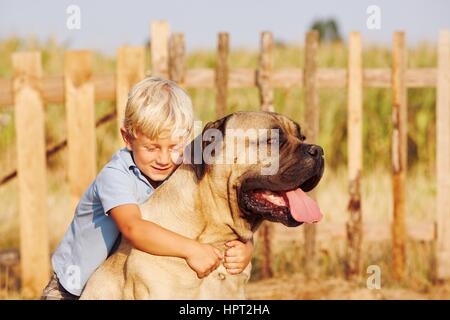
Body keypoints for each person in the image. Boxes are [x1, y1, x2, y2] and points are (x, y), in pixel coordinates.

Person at [41, 77, 254, 300]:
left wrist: (245, 247)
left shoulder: (183, 172)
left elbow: (220, 212)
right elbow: (134, 228)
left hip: (122, 284)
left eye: (174, 146)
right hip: (74, 287)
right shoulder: (116, 176)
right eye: (151, 148)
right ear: (128, 138)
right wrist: (192, 250)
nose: (164, 159)